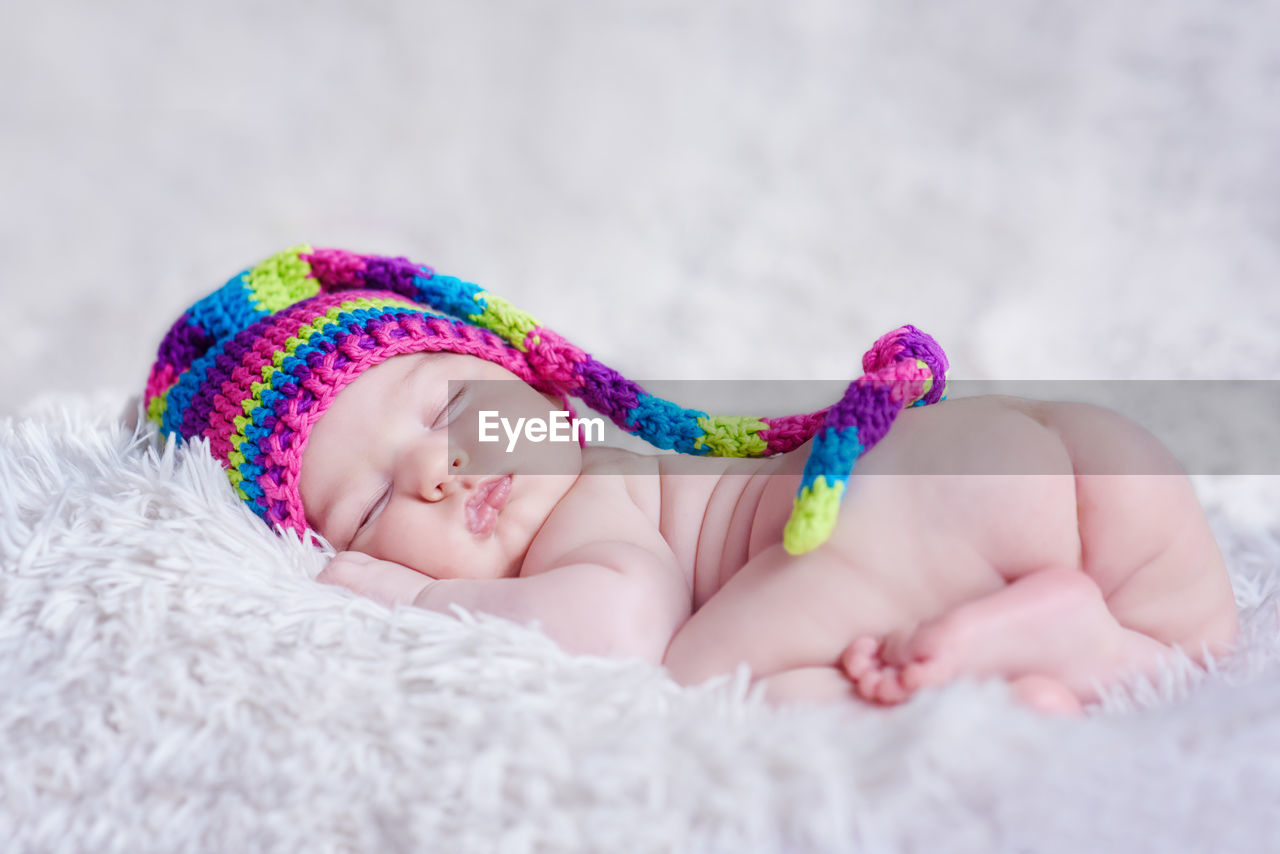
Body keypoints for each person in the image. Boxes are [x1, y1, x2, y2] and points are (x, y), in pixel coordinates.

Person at [146, 246, 1238, 714]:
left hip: (892, 504)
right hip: (1052, 449)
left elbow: (617, 624)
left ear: (527, 377)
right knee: (1196, 651)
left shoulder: (593, 502)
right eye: (376, 504)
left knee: (710, 680)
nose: (439, 467)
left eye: (443, 409)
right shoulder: (626, 462)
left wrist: (424, 594)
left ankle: (1015, 656)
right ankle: (1093, 642)